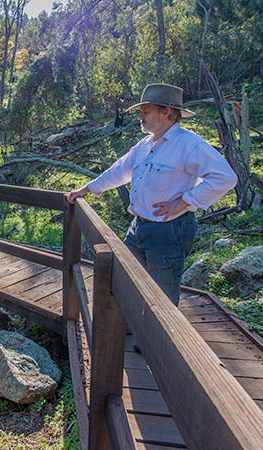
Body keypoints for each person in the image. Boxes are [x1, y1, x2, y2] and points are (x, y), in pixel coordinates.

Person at [66, 83, 237, 305]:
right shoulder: (145, 145)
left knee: (163, 295)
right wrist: (86, 189)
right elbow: (119, 170)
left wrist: (184, 202)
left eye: (146, 111)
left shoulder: (188, 144)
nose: (140, 116)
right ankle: (129, 333)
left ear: (166, 112)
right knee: (125, 281)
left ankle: (160, 340)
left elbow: (225, 177)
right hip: (139, 228)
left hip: (169, 232)